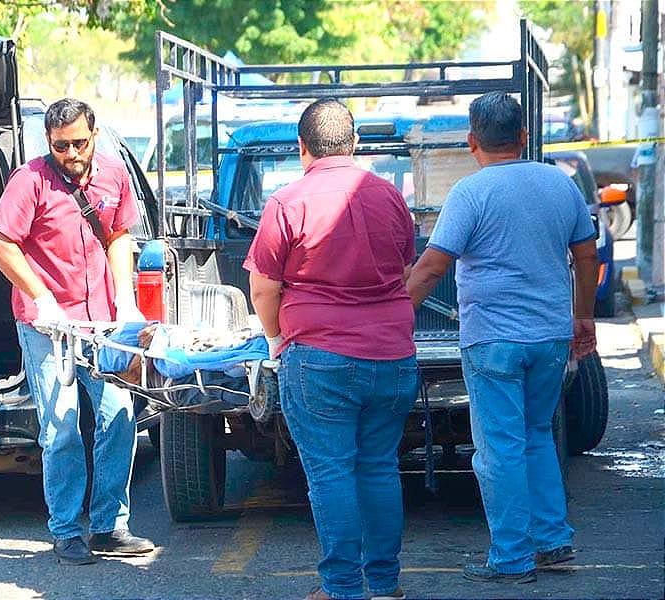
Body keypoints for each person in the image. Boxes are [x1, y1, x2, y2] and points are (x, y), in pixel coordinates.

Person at [407, 91, 598, 584]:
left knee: (500, 448)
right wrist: (583, 319)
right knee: (536, 436)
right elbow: (586, 258)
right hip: (550, 337)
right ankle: (554, 542)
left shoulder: (471, 193)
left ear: (473, 141)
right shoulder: (560, 185)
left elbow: (431, 267)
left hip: (493, 340)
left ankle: (511, 557)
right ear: (523, 136)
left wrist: (391, 317)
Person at [244, 99, 418, 600]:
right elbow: (404, 268)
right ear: (355, 144)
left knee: (330, 472)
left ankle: (342, 589)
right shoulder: (388, 197)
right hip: (392, 354)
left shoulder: (286, 203)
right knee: (380, 467)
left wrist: (276, 341)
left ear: (301, 148)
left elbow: (263, 289)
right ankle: (384, 585)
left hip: (318, 358)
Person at [0, 98, 154, 565]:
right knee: (60, 429)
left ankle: (109, 526)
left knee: (118, 416)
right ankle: (65, 529)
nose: (72, 153)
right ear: (49, 143)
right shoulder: (30, 181)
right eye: (61, 146)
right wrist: (42, 298)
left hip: (102, 321)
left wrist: (124, 299)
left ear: (94, 135)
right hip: (49, 328)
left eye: (79, 142)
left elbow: (120, 235)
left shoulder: (112, 172)